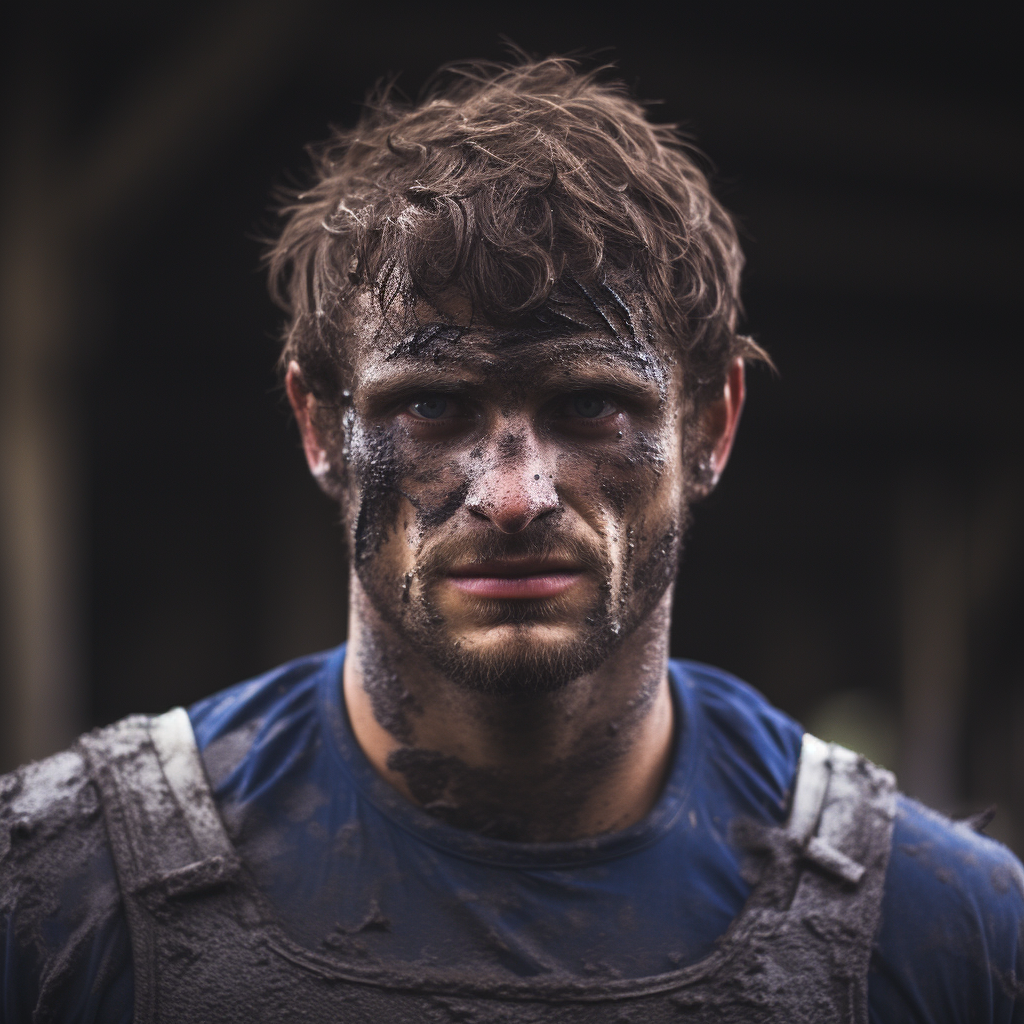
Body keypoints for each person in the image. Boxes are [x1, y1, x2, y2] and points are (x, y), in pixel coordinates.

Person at [1, 57, 1021, 1024]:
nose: (514, 495)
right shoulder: (58, 896)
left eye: (589, 404)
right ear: (320, 428)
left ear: (710, 425)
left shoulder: (943, 931)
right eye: (433, 405)